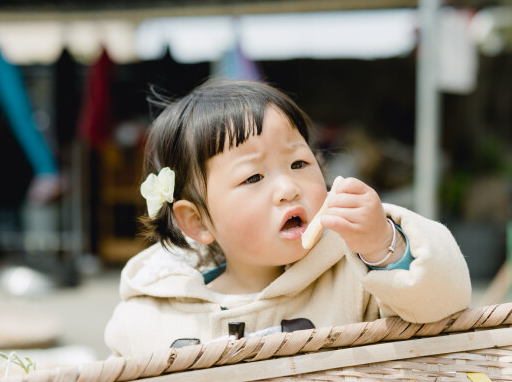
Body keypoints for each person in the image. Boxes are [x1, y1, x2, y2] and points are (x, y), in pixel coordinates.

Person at [104, 80, 470, 358]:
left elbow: (444, 305)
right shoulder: (153, 312)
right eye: (253, 177)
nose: (288, 188)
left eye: (299, 163)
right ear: (197, 222)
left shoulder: (354, 273)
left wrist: (383, 246)